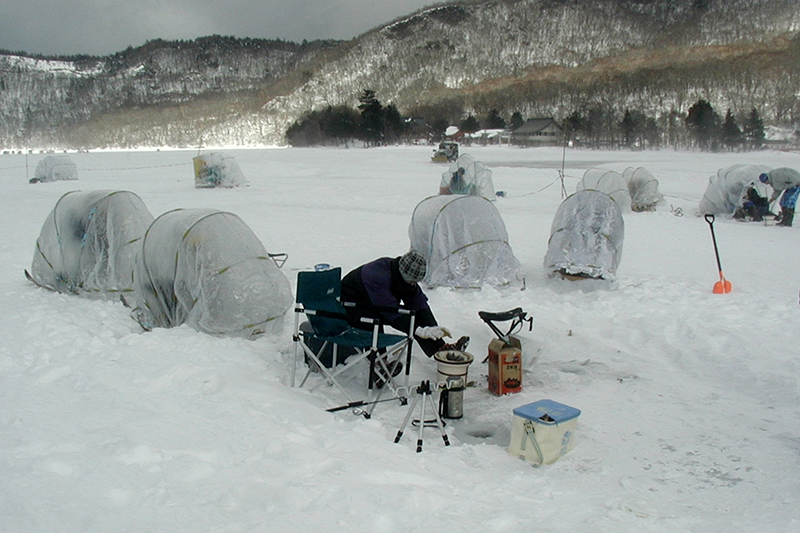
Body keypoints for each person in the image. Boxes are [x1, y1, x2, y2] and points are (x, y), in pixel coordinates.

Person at [340, 250, 469, 359]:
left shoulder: (403, 274)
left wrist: (433, 328)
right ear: (404, 275)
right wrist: (419, 330)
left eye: (416, 282)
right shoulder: (377, 276)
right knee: (374, 320)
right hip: (351, 303)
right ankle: (380, 365)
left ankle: (440, 348)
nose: (414, 284)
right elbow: (390, 312)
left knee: (414, 313)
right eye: (412, 281)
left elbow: (418, 303)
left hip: (378, 301)